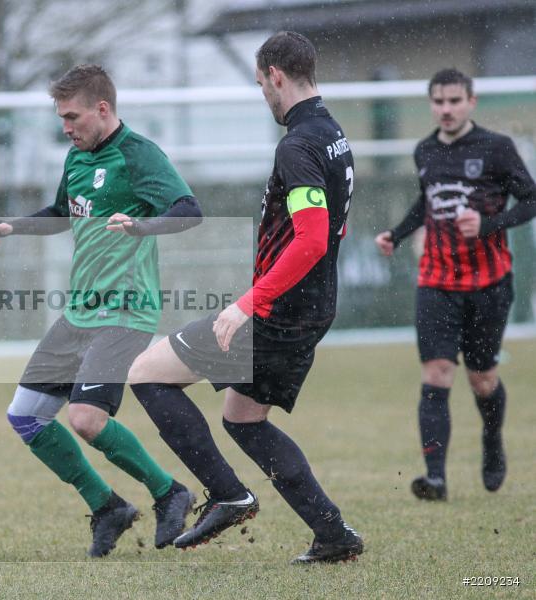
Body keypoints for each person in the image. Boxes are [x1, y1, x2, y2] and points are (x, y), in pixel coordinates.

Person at [127, 31, 363, 564]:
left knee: (145, 373)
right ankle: (333, 534)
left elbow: (311, 239)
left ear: (276, 76)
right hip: (311, 307)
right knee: (243, 418)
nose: (263, 96)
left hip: (278, 312)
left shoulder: (297, 145)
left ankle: (228, 495)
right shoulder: (332, 133)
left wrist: (247, 303)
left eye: (260, 84)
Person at [0, 64, 202, 557]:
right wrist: (14, 226)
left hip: (126, 310)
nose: (66, 127)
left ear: (102, 109)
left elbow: (189, 211)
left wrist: (142, 226)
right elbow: (62, 213)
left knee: (84, 418)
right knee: (26, 417)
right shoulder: (77, 157)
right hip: (81, 310)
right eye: (61, 118)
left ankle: (170, 492)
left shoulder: (138, 154)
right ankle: (108, 507)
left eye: (72, 117)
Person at [375, 68, 536, 501]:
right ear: (431, 104)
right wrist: (397, 234)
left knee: (482, 379)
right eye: (438, 101)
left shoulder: (497, 148)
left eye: (454, 101)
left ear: (471, 102)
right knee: (437, 372)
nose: (446, 109)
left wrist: (489, 224)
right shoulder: (425, 150)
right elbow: (426, 202)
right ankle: (435, 479)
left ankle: (492, 439)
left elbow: (531, 199)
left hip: (489, 283)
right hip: (437, 281)